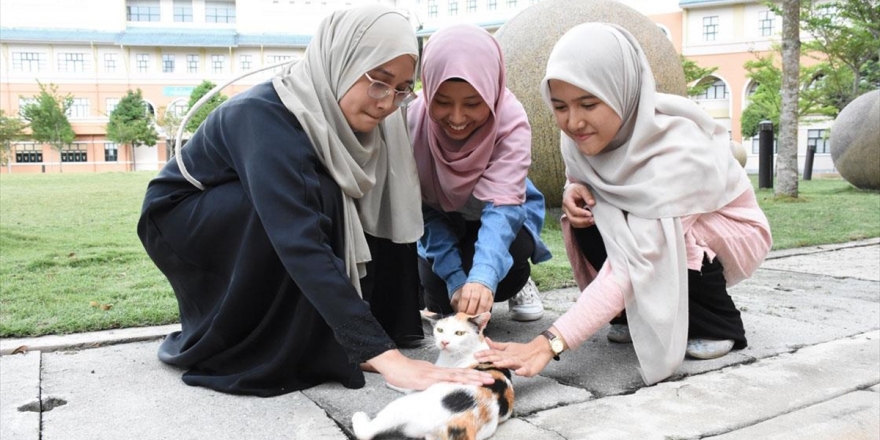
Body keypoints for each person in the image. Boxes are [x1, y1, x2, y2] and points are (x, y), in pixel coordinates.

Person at [136, 5, 494, 397]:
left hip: (260, 208)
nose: (387, 102)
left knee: (327, 189)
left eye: (403, 89)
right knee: (315, 193)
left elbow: (376, 216)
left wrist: (380, 334)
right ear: (342, 61)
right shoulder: (263, 117)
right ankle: (263, 342)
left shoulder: (371, 121)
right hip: (183, 216)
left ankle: (335, 332)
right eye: (379, 82)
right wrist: (386, 358)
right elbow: (299, 239)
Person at [475, 23, 772, 385]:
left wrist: (549, 343)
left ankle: (718, 322)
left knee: (666, 239)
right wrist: (572, 190)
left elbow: (637, 258)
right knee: (588, 214)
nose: (573, 121)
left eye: (589, 103)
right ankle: (630, 315)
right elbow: (585, 180)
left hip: (729, 233)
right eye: (559, 106)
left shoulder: (678, 151)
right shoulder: (580, 137)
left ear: (623, 92)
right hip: (649, 229)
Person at [407, 24, 552, 322]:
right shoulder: (412, 125)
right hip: (444, 217)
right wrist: (457, 281)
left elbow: (504, 209)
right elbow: (424, 214)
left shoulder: (510, 122)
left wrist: (483, 278)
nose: (457, 118)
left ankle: (520, 284)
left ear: (492, 91)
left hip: (502, 214)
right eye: (442, 102)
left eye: (473, 103)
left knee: (503, 273)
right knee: (441, 294)